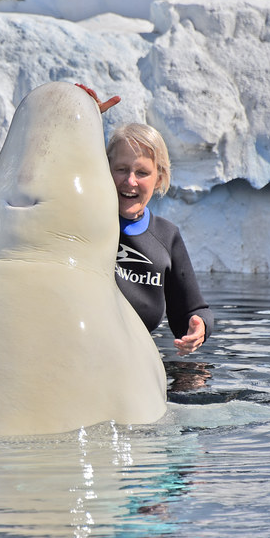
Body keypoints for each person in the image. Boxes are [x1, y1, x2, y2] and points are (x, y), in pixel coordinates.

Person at [77, 84, 213, 356]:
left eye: (142, 172)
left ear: (159, 178)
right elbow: (57, 166)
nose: (130, 181)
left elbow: (192, 310)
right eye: (121, 169)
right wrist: (80, 117)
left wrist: (198, 328)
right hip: (81, 351)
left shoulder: (166, 236)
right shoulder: (80, 219)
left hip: (133, 361)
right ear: (104, 169)